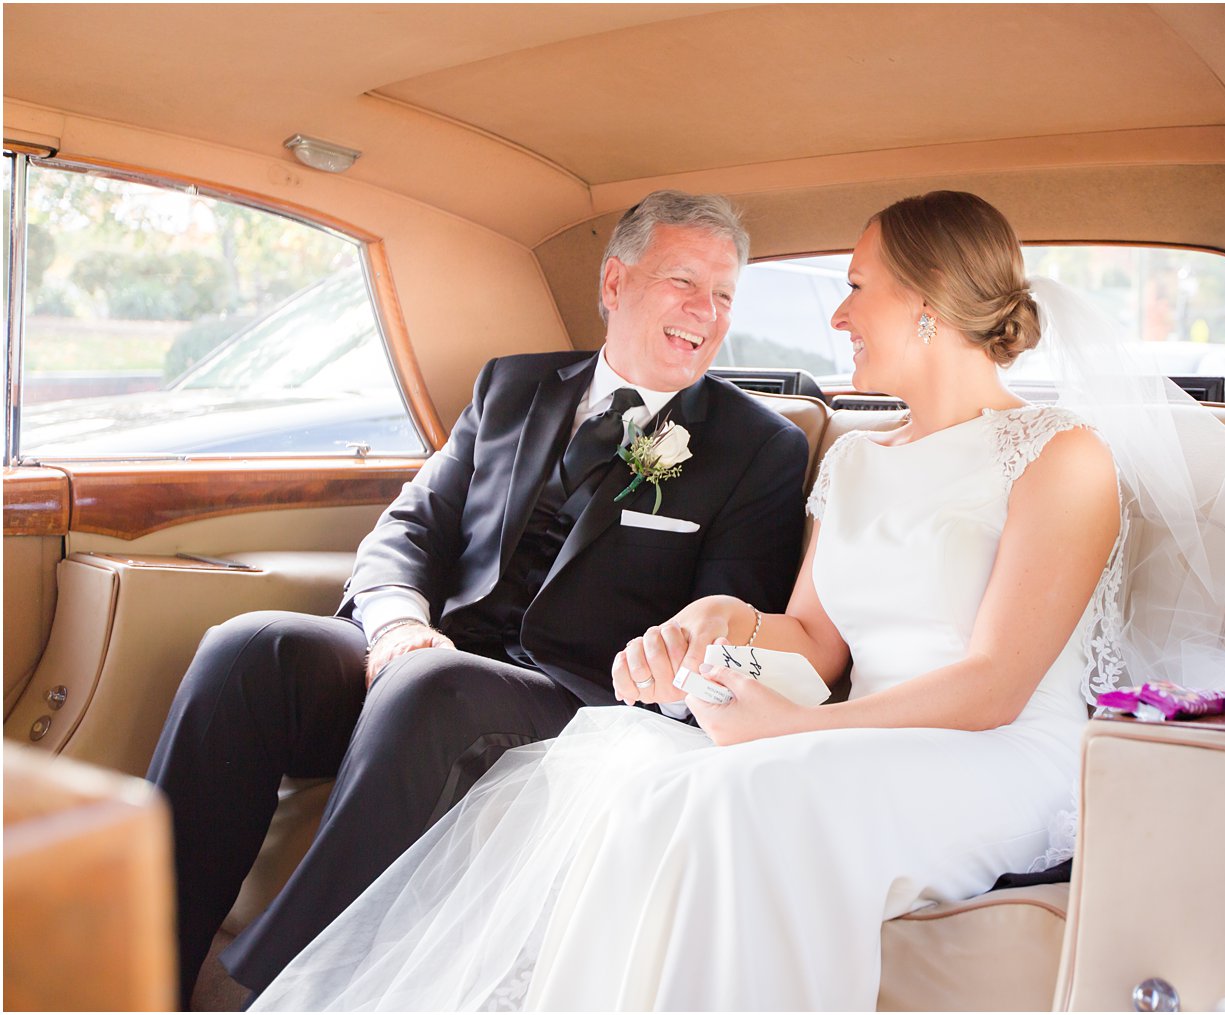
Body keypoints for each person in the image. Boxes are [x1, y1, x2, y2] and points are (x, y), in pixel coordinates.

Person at [252, 190, 1225, 1011]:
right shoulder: (863, 461)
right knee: (624, 771)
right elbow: (816, 639)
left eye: (855, 287)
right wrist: (718, 626)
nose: (835, 315)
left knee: (731, 791)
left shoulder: (1061, 457)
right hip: (868, 726)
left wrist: (788, 729)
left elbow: (996, 681)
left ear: (923, 299)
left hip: (997, 750)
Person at [145, 190, 811, 1006]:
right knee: (247, 647)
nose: (705, 313)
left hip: (580, 700)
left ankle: (265, 990)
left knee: (435, 686)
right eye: (684, 284)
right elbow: (410, 528)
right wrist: (397, 624)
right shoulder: (511, 387)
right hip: (431, 658)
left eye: (724, 296)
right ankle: (136, 972)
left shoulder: (760, 447)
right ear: (614, 283)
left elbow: (727, 619)